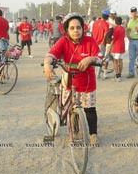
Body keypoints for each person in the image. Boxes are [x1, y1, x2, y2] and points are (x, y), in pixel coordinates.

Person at [43, 13, 101, 144]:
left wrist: (90, 58)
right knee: (70, 109)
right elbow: (52, 54)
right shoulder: (63, 41)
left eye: (78, 27)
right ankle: (75, 132)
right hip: (69, 80)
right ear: (67, 30)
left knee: (90, 110)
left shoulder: (90, 41)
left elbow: (99, 57)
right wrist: (47, 64)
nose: (76, 30)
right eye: (72, 28)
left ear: (83, 28)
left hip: (87, 82)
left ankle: (93, 134)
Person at [126, 7, 138, 78]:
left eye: (134, 12)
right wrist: (128, 36)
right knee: (131, 58)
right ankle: (131, 73)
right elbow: (128, 30)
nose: (133, 13)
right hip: (132, 41)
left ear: (137, 12)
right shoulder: (130, 21)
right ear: (131, 13)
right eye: (132, 12)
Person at [92, 9, 110, 79]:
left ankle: (92, 73)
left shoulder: (95, 22)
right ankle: (97, 75)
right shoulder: (106, 24)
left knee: (93, 58)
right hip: (101, 44)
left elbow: (92, 32)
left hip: (94, 42)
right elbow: (105, 33)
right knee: (100, 58)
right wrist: (102, 41)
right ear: (107, 16)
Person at [111, 16, 126, 82]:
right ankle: (119, 74)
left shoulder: (116, 29)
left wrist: (110, 46)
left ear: (115, 21)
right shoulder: (123, 28)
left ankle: (117, 76)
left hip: (117, 47)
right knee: (120, 61)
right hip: (122, 46)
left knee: (115, 61)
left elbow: (114, 39)